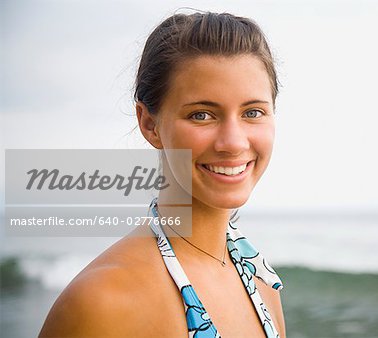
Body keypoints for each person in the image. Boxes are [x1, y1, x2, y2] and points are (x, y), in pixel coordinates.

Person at [39, 11, 286, 338]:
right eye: (202, 115)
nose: (233, 143)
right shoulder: (101, 303)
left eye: (252, 112)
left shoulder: (261, 281)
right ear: (150, 124)